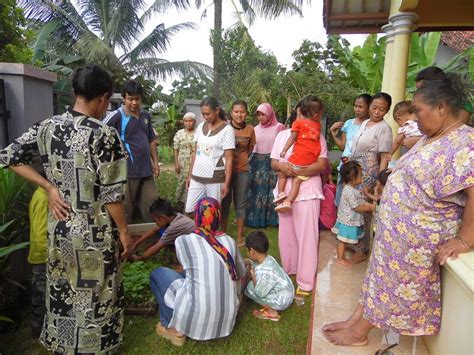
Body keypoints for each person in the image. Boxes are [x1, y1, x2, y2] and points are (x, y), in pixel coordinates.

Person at [322, 74, 474, 346]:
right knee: (376, 279)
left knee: (391, 286)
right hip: (396, 232)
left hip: (418, 240)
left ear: (441, 107)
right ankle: (356, 319)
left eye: (418, 111)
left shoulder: (465, 142)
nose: (414, 118)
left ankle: (360, 333)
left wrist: (465, 238)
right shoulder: (433, 137)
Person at [0, 64, 130, 353]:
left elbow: (9, 156)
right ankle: (95, 347)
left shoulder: (47, 127)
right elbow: (112, 195)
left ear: (75, 93)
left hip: (60, 229)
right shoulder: (104, 135)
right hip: (95, 233)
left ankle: (65, 344)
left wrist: (48, 187)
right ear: (103, 98)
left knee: (63, 289)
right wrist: (124, 232)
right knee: (98, 294)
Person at [150, 197, 246, 346]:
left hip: (197, 319)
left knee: (158, 274)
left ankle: (173, 328)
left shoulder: (183, 241)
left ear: (196, 216)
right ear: (218, 216)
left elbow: (191, 268)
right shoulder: (229, 241)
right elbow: (240, 272)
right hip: (227, 322)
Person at [270, 97, 329, 305]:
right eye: (319, 113)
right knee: (286, 233)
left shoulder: (317, 136)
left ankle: (305, 283)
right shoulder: (283, 135)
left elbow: (322, 164)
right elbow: (274, 161)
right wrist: (284, 168)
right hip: (285, 190)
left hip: (308, 190)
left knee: (307, 236)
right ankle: (290, 269)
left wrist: (298, 170)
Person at [105, 79, 159, 222]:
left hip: (146, 169)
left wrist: (155, 162)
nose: (134, 103)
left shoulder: (145, 116)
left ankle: (152, 232)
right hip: (127, 171)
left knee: (151, 202)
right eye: (130, 99)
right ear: (124, 98)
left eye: (137, 99)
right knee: (126, 206)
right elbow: (101, 134)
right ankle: (124, 237)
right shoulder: (117, 116)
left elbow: (151, 140)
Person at [348, 92, 393, 264]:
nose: (377, 112)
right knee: (353, 206)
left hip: (369, 172)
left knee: (363, 208)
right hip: (356, 170)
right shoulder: (365, 122)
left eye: (382, 109)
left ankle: (363, 248)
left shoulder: (384, 128)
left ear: (386, 111)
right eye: (374, 107)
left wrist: (379, 181)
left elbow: (384, 157)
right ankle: (354, 242)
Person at [185, 97, 235, 214]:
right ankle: (195, 232)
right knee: (190, 211)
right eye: (203, 114)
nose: (205, 117)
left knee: (212, 213)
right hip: (196, 177)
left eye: (208, 114)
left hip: (215, 180)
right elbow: (195, 153)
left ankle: (212, 233)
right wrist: (189, 175)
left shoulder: (227, 130)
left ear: (217, 110)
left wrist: (226, 184)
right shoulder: (201, 126)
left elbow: (229, 159)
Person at [274, 95, 322, 213]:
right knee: (297, 182)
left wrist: (284, 150)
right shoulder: (318, 127)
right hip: (310, 162)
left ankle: (281, 194)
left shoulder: (298, 124)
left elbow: (292, 138)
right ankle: (288, 202)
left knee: (281, 173)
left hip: (298, 161)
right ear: (316, 115)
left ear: (299, 111)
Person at [220, 100, 256, 246]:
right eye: (236, 112)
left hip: (242, 170)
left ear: (246, 113)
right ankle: (222, 233)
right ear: (231, 113)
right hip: (224, 172)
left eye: (242, 112)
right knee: (224, 202)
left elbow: (250, 149)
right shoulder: (224, 128)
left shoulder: (250, 130)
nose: (239, 115)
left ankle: (240, 236)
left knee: (240, 203)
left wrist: (242, 159)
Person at [245, 103, 285, 228]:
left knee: (270, 190)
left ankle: (271, 219)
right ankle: (255, 219)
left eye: (263, 114)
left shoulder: (279, 127)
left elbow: (283, 145)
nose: (260, 117)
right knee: (256, 191)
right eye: (258, 115)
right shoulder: (255, 129)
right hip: (256, 162)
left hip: (271, 162)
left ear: (270, 114)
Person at [329, 94, 371, 206]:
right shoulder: (348, 123)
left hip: (360, 169)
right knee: (340, 200)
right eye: (355, 106)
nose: (357, 109)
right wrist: (333, 133)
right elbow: (343, 146)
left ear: (369, 107)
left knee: (355, 202)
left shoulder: (371, 125)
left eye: (360, 107)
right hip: (344, 167)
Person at [332, 161, 376, 266]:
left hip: (349, 220)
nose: (363, 176)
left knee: (344, 239)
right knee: (342, 240)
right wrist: (368, 208)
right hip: (347, 221)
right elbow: (356, 207)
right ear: (353, 177)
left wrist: (369, 204)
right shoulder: (348, 191)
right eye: (360, 175)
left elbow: (360, 201)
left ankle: (341, 255)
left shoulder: (353, 189)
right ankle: (339, 258)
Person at [244, 231, 294, 321]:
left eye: (247, 250)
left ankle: (272, 312)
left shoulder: (264, 271)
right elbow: (257, 265)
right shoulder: (269, 259)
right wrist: (249, 262)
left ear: (252, 251)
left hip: (283, 300)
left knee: (249, 288)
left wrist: (253, 276)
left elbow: (259, 293)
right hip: (289, 292)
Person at [130, 197, 195, 261]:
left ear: (162, 218)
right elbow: (154, 230)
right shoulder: (177, 216)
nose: (156, 223)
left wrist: (139, 258)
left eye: (155, 221)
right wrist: (135, 244)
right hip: (194, 239)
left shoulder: (173, 228)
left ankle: (184, 261)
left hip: (195, 247)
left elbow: (155, 248)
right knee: (162, 232)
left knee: (166, 241)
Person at [27, 157, 48, 340]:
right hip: (42, 256)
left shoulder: (41, 194)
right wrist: (47, 253)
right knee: (41, 296)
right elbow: (41, 232)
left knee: (43, 295)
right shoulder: (43, 198)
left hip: (42, 255)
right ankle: (37, 330)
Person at [173, 112, 196, 212]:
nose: (188, 123)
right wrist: (176, 163)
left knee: (192, 185)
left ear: (194, 122)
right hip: (182, 164)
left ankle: (190, 207)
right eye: (186, 121)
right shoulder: (179, 133)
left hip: (194, 165)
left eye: (190, 121)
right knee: (181, 184)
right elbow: (176, 148)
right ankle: (178, 205)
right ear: (183, 122)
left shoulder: (198, 133)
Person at [319, 161, 337, 231]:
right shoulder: (329, 187)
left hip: (324, 223)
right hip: (331, 222)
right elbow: (333, 186)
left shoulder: (320, 190)